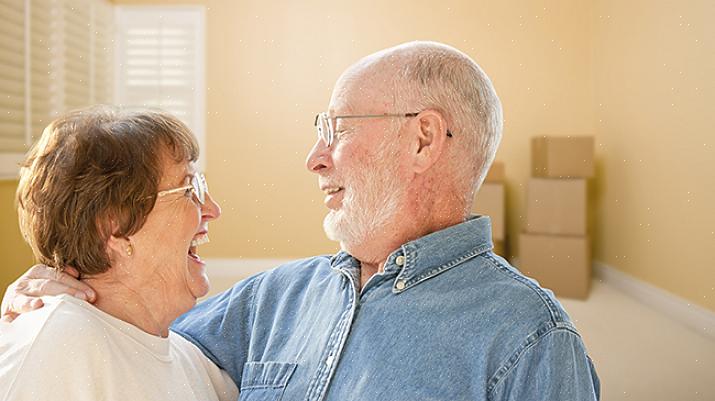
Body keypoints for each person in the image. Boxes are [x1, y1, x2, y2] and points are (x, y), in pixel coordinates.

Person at [3, 41, 600, 400]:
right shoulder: (273, 300)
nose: (313, 158)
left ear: (422, 139)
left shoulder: (531, 342)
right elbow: (136, 348)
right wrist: (60, 288)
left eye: (336, 130)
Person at [0, 107, 238, 401]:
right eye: (189, 189)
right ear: (114, 225)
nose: (212, 210)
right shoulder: (60, 344)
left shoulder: (190, 359)